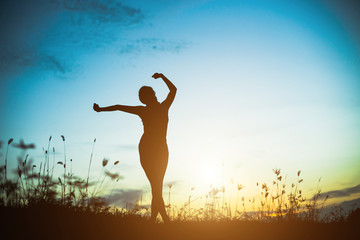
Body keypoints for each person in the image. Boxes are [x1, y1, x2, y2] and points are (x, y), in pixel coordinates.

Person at [93, 73, 177, 223]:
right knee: (156, 186)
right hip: (148, 150)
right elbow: (119, 107)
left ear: (149, 96)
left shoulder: (160, 107)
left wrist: (101, 110)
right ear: (148, 97)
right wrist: (101, 110)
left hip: (162, 150)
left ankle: (153, 222)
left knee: (156, 187)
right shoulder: (150, 109)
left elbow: (174, 90)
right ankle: (166, 221)